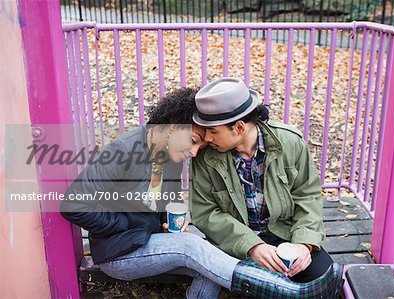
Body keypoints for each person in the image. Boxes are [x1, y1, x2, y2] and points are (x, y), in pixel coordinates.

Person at [61, 87, 332, 299]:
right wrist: (125, 224)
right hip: (119, 252)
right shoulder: (123, 151)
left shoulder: (170, 154)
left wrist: (164, 223)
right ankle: (285, 291)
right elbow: (73, 204)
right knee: (192, 247)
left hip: (148, 243)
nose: (194, 153)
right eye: (193, 142)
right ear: (170, 127)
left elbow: (152, 202)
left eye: (200, 146)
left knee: (211, 260)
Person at [190, 78, 344, 297]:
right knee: (262, 291)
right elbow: (205, 213)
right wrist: (252, 246)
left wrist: (304, 244)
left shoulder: (290, 143)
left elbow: (307, 196)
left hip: (285, 236)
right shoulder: (205, 158)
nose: (206, 137)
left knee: (325, 280)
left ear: (239, 127)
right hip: (235, 245)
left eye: (213, 130)